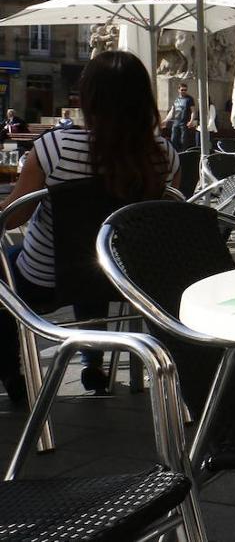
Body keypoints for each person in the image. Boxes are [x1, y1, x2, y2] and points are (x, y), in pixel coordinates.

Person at [0, 51, 180, 402]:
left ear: (88, 98)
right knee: (93, 258)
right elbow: (166, 220)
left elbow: (14, 218)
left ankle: (12, 371)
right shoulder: (164, 154)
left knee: (14, 267)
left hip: (46, 281)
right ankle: (92, 360)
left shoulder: (54, 147)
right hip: (127, 280)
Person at [162, 82, 195, 151]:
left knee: (183, 141)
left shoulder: (189, 99)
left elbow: (193, 111)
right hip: (176, 122)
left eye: (185, 90)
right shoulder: (176, 100)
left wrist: (191, 121)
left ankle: (183, 154)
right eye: (182, 90)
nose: (184, 91)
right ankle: (175, 154)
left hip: (184, 123)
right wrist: (165, 120)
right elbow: (172, 111)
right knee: (173, 139)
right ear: (178, 90)